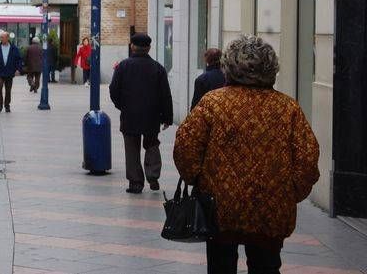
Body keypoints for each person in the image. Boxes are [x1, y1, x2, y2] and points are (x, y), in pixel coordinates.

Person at [174, 35, 320, 274]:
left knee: (221, 266)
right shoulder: (287, 108)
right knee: (266, 267)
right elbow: (307, 159)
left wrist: (199, 180)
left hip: (219, 207)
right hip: (271, 208)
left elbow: (186, 147)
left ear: (228, 68)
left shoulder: (213, 103)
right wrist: (290, 193)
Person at [109, 33, 173, 194]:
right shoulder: (158, 68)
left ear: (132, 46)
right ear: (149, 48)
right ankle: (153, 176)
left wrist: (122, 106)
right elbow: (165, 94)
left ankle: (136, 183)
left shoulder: (123, 66)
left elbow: (113, 90)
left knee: (131, 148)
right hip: (152, 115)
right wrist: (167, 117)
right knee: (152, 144)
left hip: (129, 115)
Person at [0, 31, 23, 112]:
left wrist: (18, 69)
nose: (2, 39)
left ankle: (7, 105)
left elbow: (19, 59)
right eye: (1, 37)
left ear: (7, 38)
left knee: (8, 90)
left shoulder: (14, 48)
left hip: (9, 72)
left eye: (3, 37)